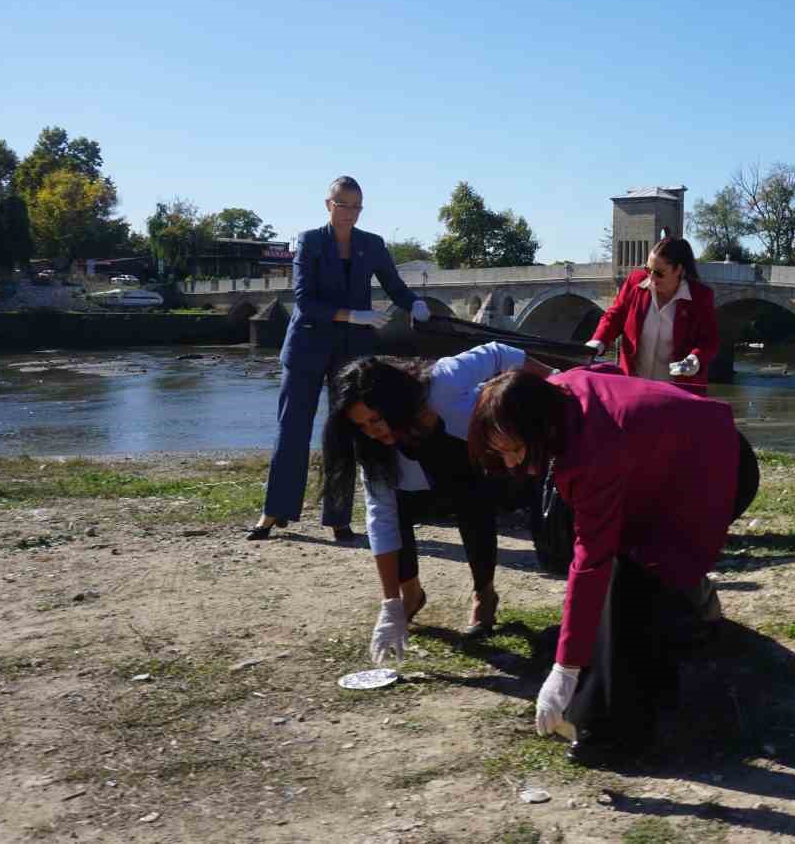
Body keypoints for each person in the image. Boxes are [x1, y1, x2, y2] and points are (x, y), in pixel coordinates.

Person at [467, 366, 758, 764]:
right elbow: (607, 371)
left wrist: (565, 667)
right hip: (670, 463)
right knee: (630, 576)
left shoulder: (594, 452)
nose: (512, 462)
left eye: (515, 449)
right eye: (502, 452)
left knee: (633, 579)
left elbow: (590, 562)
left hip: (719, 466)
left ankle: (621, 730)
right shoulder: (557, 391)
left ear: (538, 425)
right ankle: (618, 699)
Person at [319, 344, 551, 656]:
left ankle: (484, 594)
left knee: (472, 501)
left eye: (376, 420)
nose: (371, 432)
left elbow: (498, 354)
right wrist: (390, 603)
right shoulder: (371, 448)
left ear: (395, 403)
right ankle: (410, 595)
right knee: (395, 512)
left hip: (485, 469)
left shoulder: (443, 383)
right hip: (422, 494)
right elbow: (381, 517)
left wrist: (556, 379)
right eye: (361, 426)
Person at [248, 176, 431, 541]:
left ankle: (338, 517)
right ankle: (274, 511)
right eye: (344, 205)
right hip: (306, 346)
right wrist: (354, 315)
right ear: (329, 205)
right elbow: (305, 302)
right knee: (292, 429)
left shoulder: (372, 244)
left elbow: (395, 287)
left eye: (357, 206)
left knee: (345, 432)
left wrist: (416, 303)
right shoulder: (310, 241)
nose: (351, 213)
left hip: (351, 353)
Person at [585, 237, 719, 395]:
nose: (651, 278)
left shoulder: (700, 296)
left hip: (678, 394)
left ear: (679, 270)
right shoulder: (635, 282)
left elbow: (709, 341)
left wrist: (694, 360)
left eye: (659, 273)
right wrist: (598, 342)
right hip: (632, 389)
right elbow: (614, 316)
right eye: (648, 269)